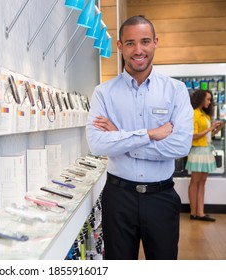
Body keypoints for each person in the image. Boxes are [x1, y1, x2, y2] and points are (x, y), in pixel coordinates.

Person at [86, 15, 194, 260]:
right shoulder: (103, 93)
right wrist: (151, 134)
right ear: (120, 46)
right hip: (118, 198)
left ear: (155, 42)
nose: (138, 50)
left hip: (162, 198)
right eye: (131, 43)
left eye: (145, 41)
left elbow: (180, 145)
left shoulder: (175, 91)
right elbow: (97, 143)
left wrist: (121, 139)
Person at [185, 89, 224, 222]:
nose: (209, 102)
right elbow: (193, 136)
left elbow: (207, 136)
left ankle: (200, 212)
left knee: (202, 182)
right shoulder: (194, 114)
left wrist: (217, 129)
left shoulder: (204, 115)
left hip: (206, 150)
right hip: (197, 152)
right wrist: (210, 127)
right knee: (195, 182)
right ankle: (193, 212)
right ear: (201, 99)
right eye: (207, 99)